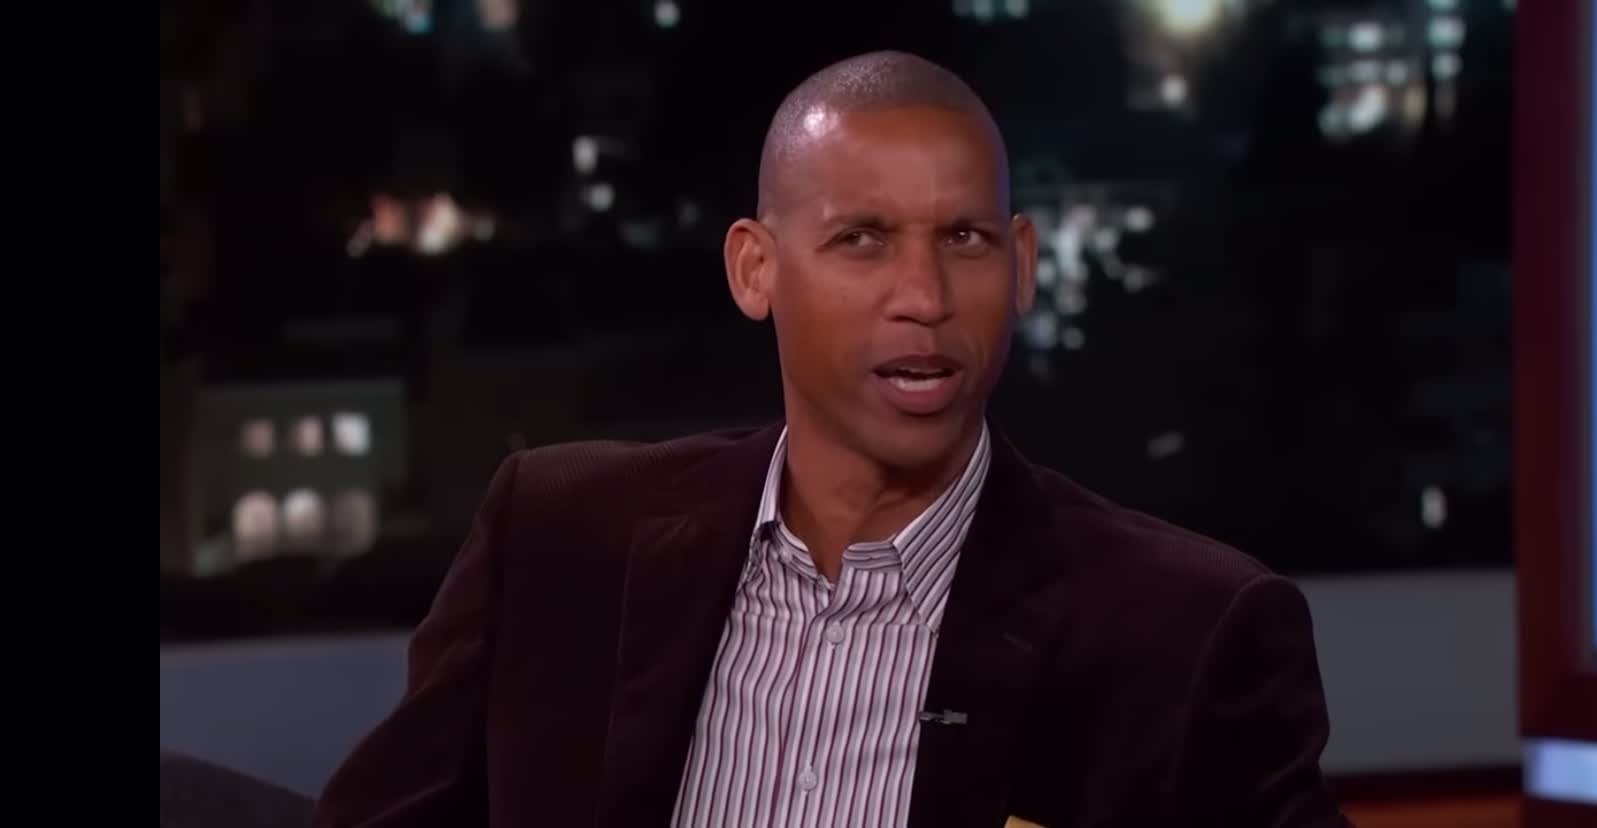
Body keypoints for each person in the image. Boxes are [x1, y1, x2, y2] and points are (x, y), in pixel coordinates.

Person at [314, 51, 1351, 827]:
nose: (924, 296)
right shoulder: (557, 540)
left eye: (964, 239)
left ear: (1022, 265)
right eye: (863, 240)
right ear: (755, 269)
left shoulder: (1187, 635)